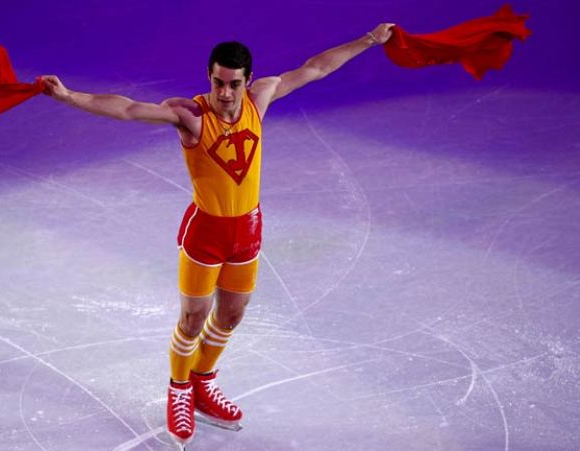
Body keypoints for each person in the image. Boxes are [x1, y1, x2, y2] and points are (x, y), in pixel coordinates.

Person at [40, 22, 394, 446]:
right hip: (205, 233)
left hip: (247, 230)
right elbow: (128, 109)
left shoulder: (260, 98)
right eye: (218, 82)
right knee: (192, 319)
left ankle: (202, 382)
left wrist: (369, 41)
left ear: (247, 79)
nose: (225, 93)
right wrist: (68, 95)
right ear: (209, 76)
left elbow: (316, 68)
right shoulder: (189, 116)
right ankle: (179, 390)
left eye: (234, 84)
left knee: (231, 315)